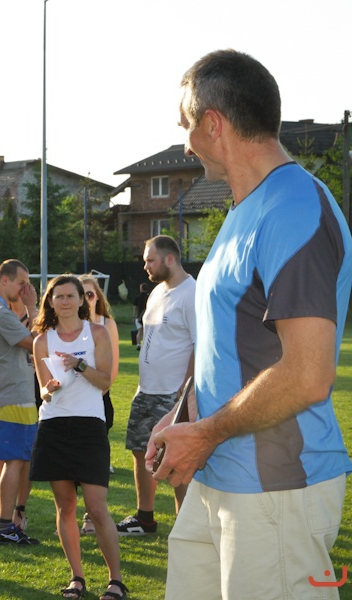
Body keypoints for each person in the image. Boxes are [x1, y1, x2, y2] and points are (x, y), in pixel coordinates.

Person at [147, 49, 352, 599]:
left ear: (213, 124)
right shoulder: (244, 210)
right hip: (218, 475)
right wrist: (184, 410)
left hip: (277, 489)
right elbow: (228, 341)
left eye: (186, 126)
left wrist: (204, 435)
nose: (185, 143)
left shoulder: (294, 209)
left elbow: (308, 375)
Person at [31, 275, 127, 600]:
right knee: (65, 507)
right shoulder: (42, 340)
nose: (65, 301)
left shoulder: (96, 333)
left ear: (81, 300)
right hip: (54, 426)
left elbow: (105, 382)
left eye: (70, 296)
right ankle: (77, 578)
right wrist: (49, 389)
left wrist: (79, 366)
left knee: (97, 508)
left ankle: (116, 581)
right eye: (58, 296)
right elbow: (43, 391)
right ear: (50, 301)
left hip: (89, 426)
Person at [117, 235, 195, 536]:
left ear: (169, 259)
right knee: (141, 451)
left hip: (173, 393)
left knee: (177, 459)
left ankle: (186, 526)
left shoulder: (192, 293)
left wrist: (185, 391)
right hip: (146, 390)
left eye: (150, 260)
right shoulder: (157, 292)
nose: (146, 266)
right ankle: (145, 519)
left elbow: (200, 345)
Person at [0, 260, 38, 546]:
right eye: (21, 282)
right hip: (14, 397)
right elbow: (36, 343)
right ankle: (3, 527)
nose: (25, 289)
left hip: (0, 396)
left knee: (3, 461)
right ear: (4, 280)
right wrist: (32, 308)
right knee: (14, 461)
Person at [76, 274, 120, 536]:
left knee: (93, 464)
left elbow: (112, 369)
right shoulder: (69, 325)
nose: (86, 299)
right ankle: (69, 517)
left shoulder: (106, 324)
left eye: (90, 294)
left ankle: (90, 516)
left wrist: (98, 391)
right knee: (71, 462)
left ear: (97, 298)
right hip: (71, 403)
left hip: (99, 400)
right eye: (81, 294)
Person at [132, 283, 149, 350]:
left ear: (141, 288)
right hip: (148, 317)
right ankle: (146, 344)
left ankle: (138, 344)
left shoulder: (137, 297)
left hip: (139, 316)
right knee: (146, 332)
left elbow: (135, 308)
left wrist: (134, 316)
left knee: (140, 331)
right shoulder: (149, 296)